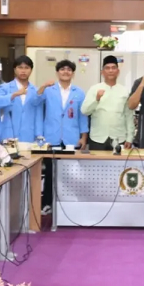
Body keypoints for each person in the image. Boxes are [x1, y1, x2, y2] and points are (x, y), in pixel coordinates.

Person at [36, 60, 89, 214]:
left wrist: (84, 137)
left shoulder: (79, 92)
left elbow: (82, 116)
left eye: (69, 70)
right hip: (51, 138)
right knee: (50, 173)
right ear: (57, 72)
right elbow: (35, 102)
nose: (66, 72)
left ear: (73, 73)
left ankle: (68, 205)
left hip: (71, 139)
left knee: (70, 173)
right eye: (62, 69)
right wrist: (42, 86)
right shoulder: (49, 90)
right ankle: (47, 204)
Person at [81, 55, 134, 150]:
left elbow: (129, 116)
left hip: (119, 138)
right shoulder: (94, 89)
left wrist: (130, 138)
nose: (110, 70)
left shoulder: (124, 91)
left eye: (113, 68)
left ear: (118, 71)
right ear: (102, 72)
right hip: (97, 138)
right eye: (107, 68)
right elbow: (85, 111)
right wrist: (96, 99)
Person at [0, 56, 42, 142]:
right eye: (20, 67)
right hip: (8, 135)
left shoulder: (36, 91)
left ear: (31, 70)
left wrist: (39, 135)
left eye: (26, 68)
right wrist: (14, 94)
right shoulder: (5, 87)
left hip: (29, 136)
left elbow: (38, 115)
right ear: (14, 69)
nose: (23, 71)